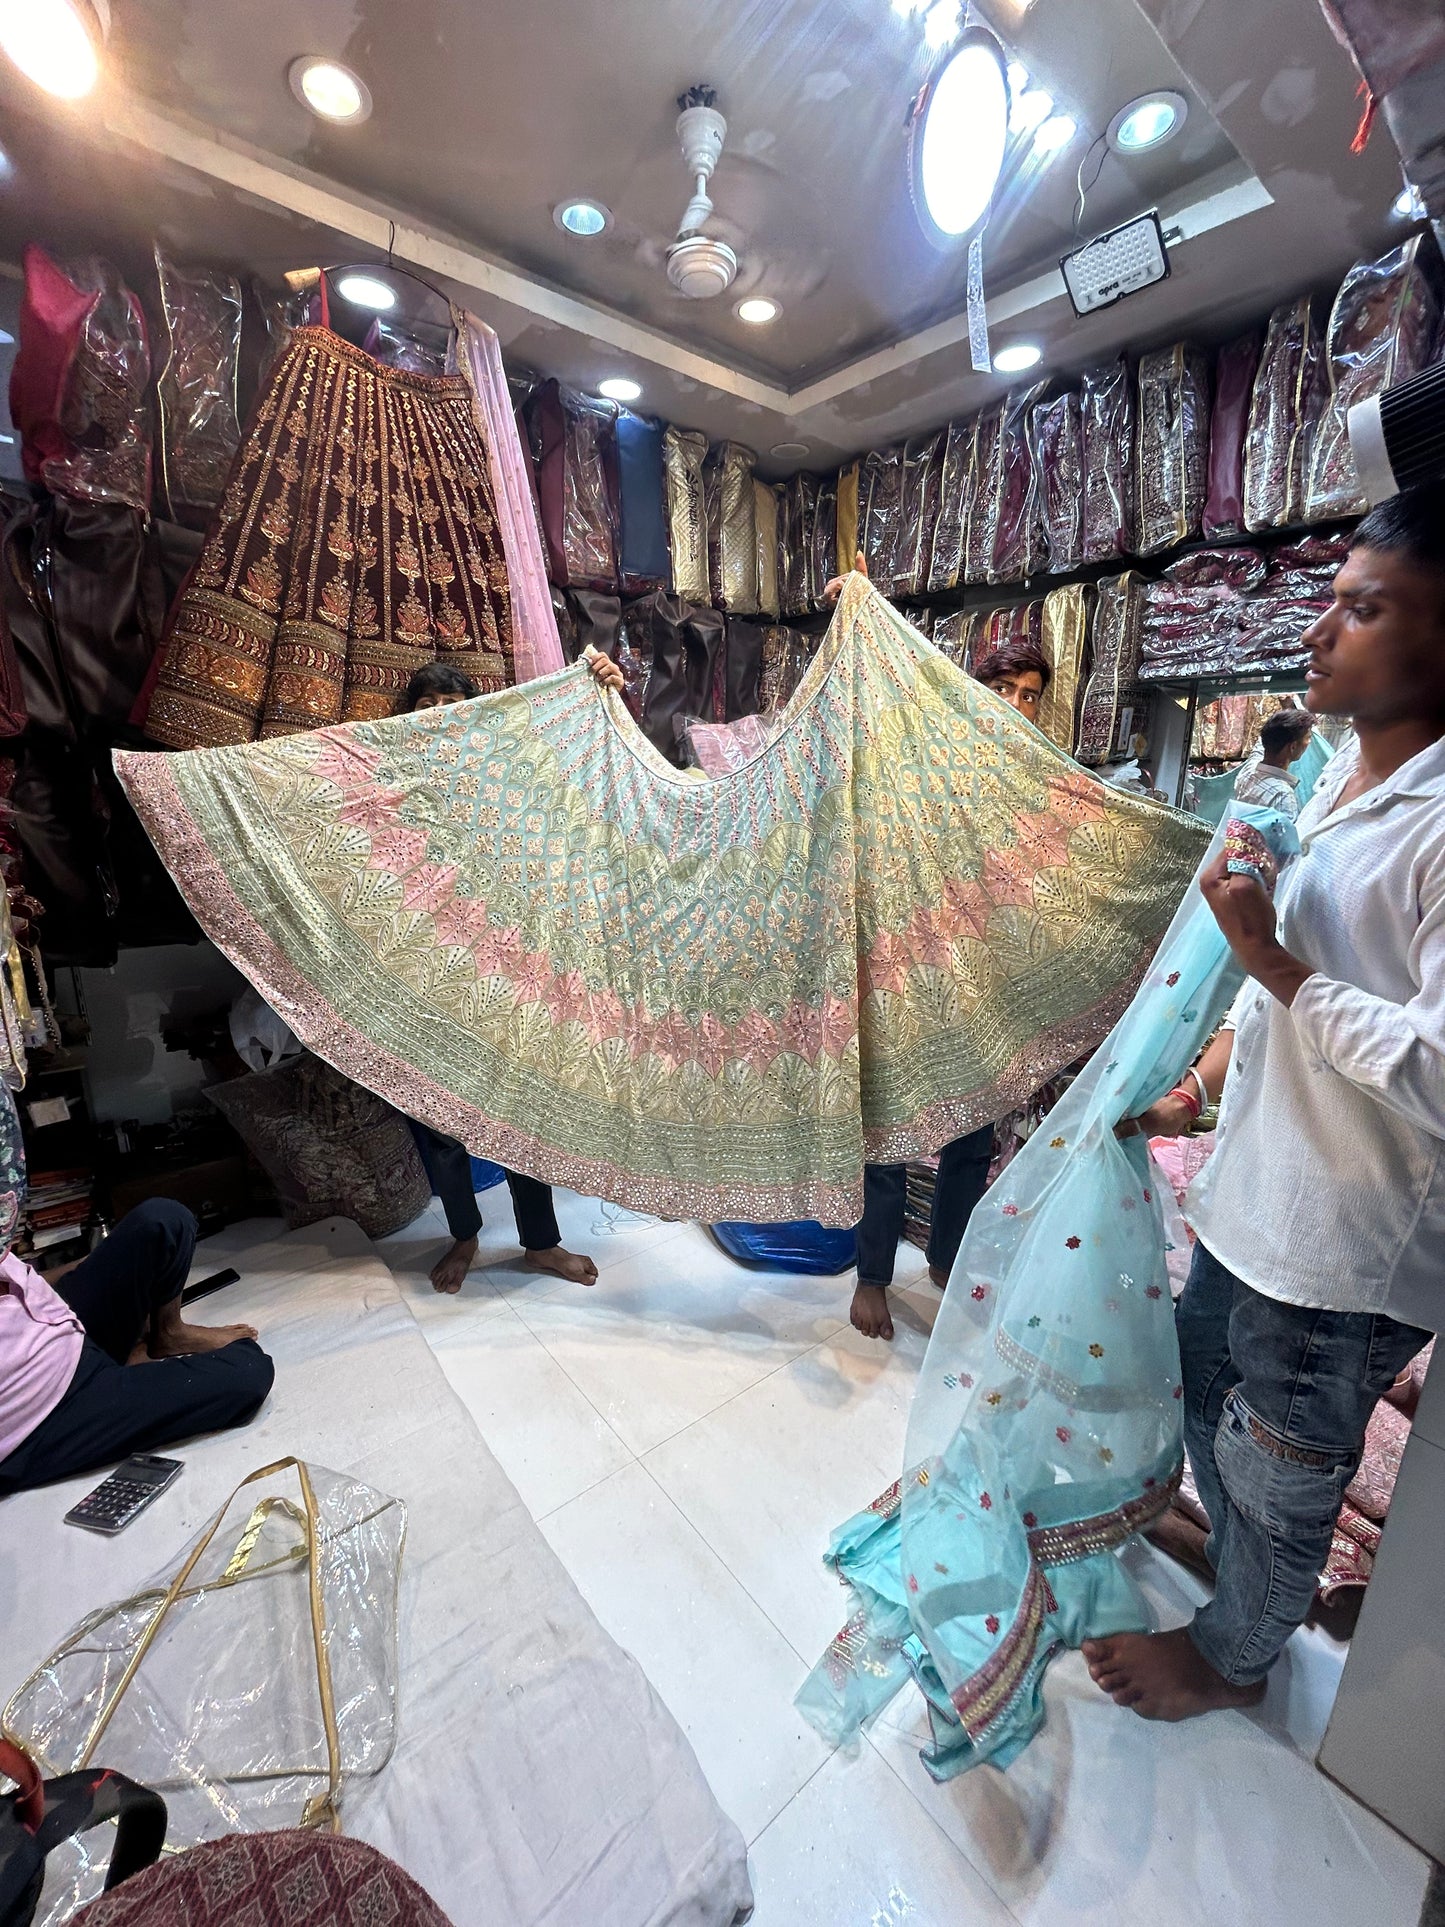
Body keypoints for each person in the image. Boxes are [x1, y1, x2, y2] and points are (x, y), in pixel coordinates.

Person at [1084, 481, 1445, 1722]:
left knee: (1283, 1468)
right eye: (1329, 602)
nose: (1316, 632)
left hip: (1341, 1247)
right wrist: (1200, 1086)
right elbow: (1289, 997)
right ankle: (1239, 1589)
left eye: (1361, 609)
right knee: (1206, 1403)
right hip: (1255, 1202)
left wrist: (1269, 961)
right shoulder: (1343, 776)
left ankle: (1236, 1655)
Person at [820, 556, 1056, 1339]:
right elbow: (877, 706)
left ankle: (947, 1260)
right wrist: (857, 613)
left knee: (969, 1137)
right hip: (904, 970)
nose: (1018, 706)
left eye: (1030, 697)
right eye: (1006, 689)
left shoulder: (1038, 777)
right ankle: (873, 1276)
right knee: (888, 1133)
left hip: (984, 980)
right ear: (975, 691)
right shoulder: (925, 756)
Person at [400, 660, 621, 1293]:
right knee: (441, 1121)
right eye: (426, 703)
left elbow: (570, 786)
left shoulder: (505, 781)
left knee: (523, 1110)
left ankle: (541, 1243)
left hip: (504, 973)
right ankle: (465, 1234)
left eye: (453, 701)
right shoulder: (388, 776)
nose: (441, 712)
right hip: (424, 973)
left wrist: (593, 687)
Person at [0, 1200, 273, 1495]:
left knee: (163, 1220)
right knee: (246, 1371)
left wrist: (91, 1265)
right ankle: (125, 1364)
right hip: (42, 1407)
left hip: (56, 1319)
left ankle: (169, 1333)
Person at [1230, 706, 1314, 818]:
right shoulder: (1282, 796)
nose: (1310, 742)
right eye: (1308, 738)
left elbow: (1262, 745)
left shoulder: (1249, 771)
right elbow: (1286, 835)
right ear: (1293, 747)